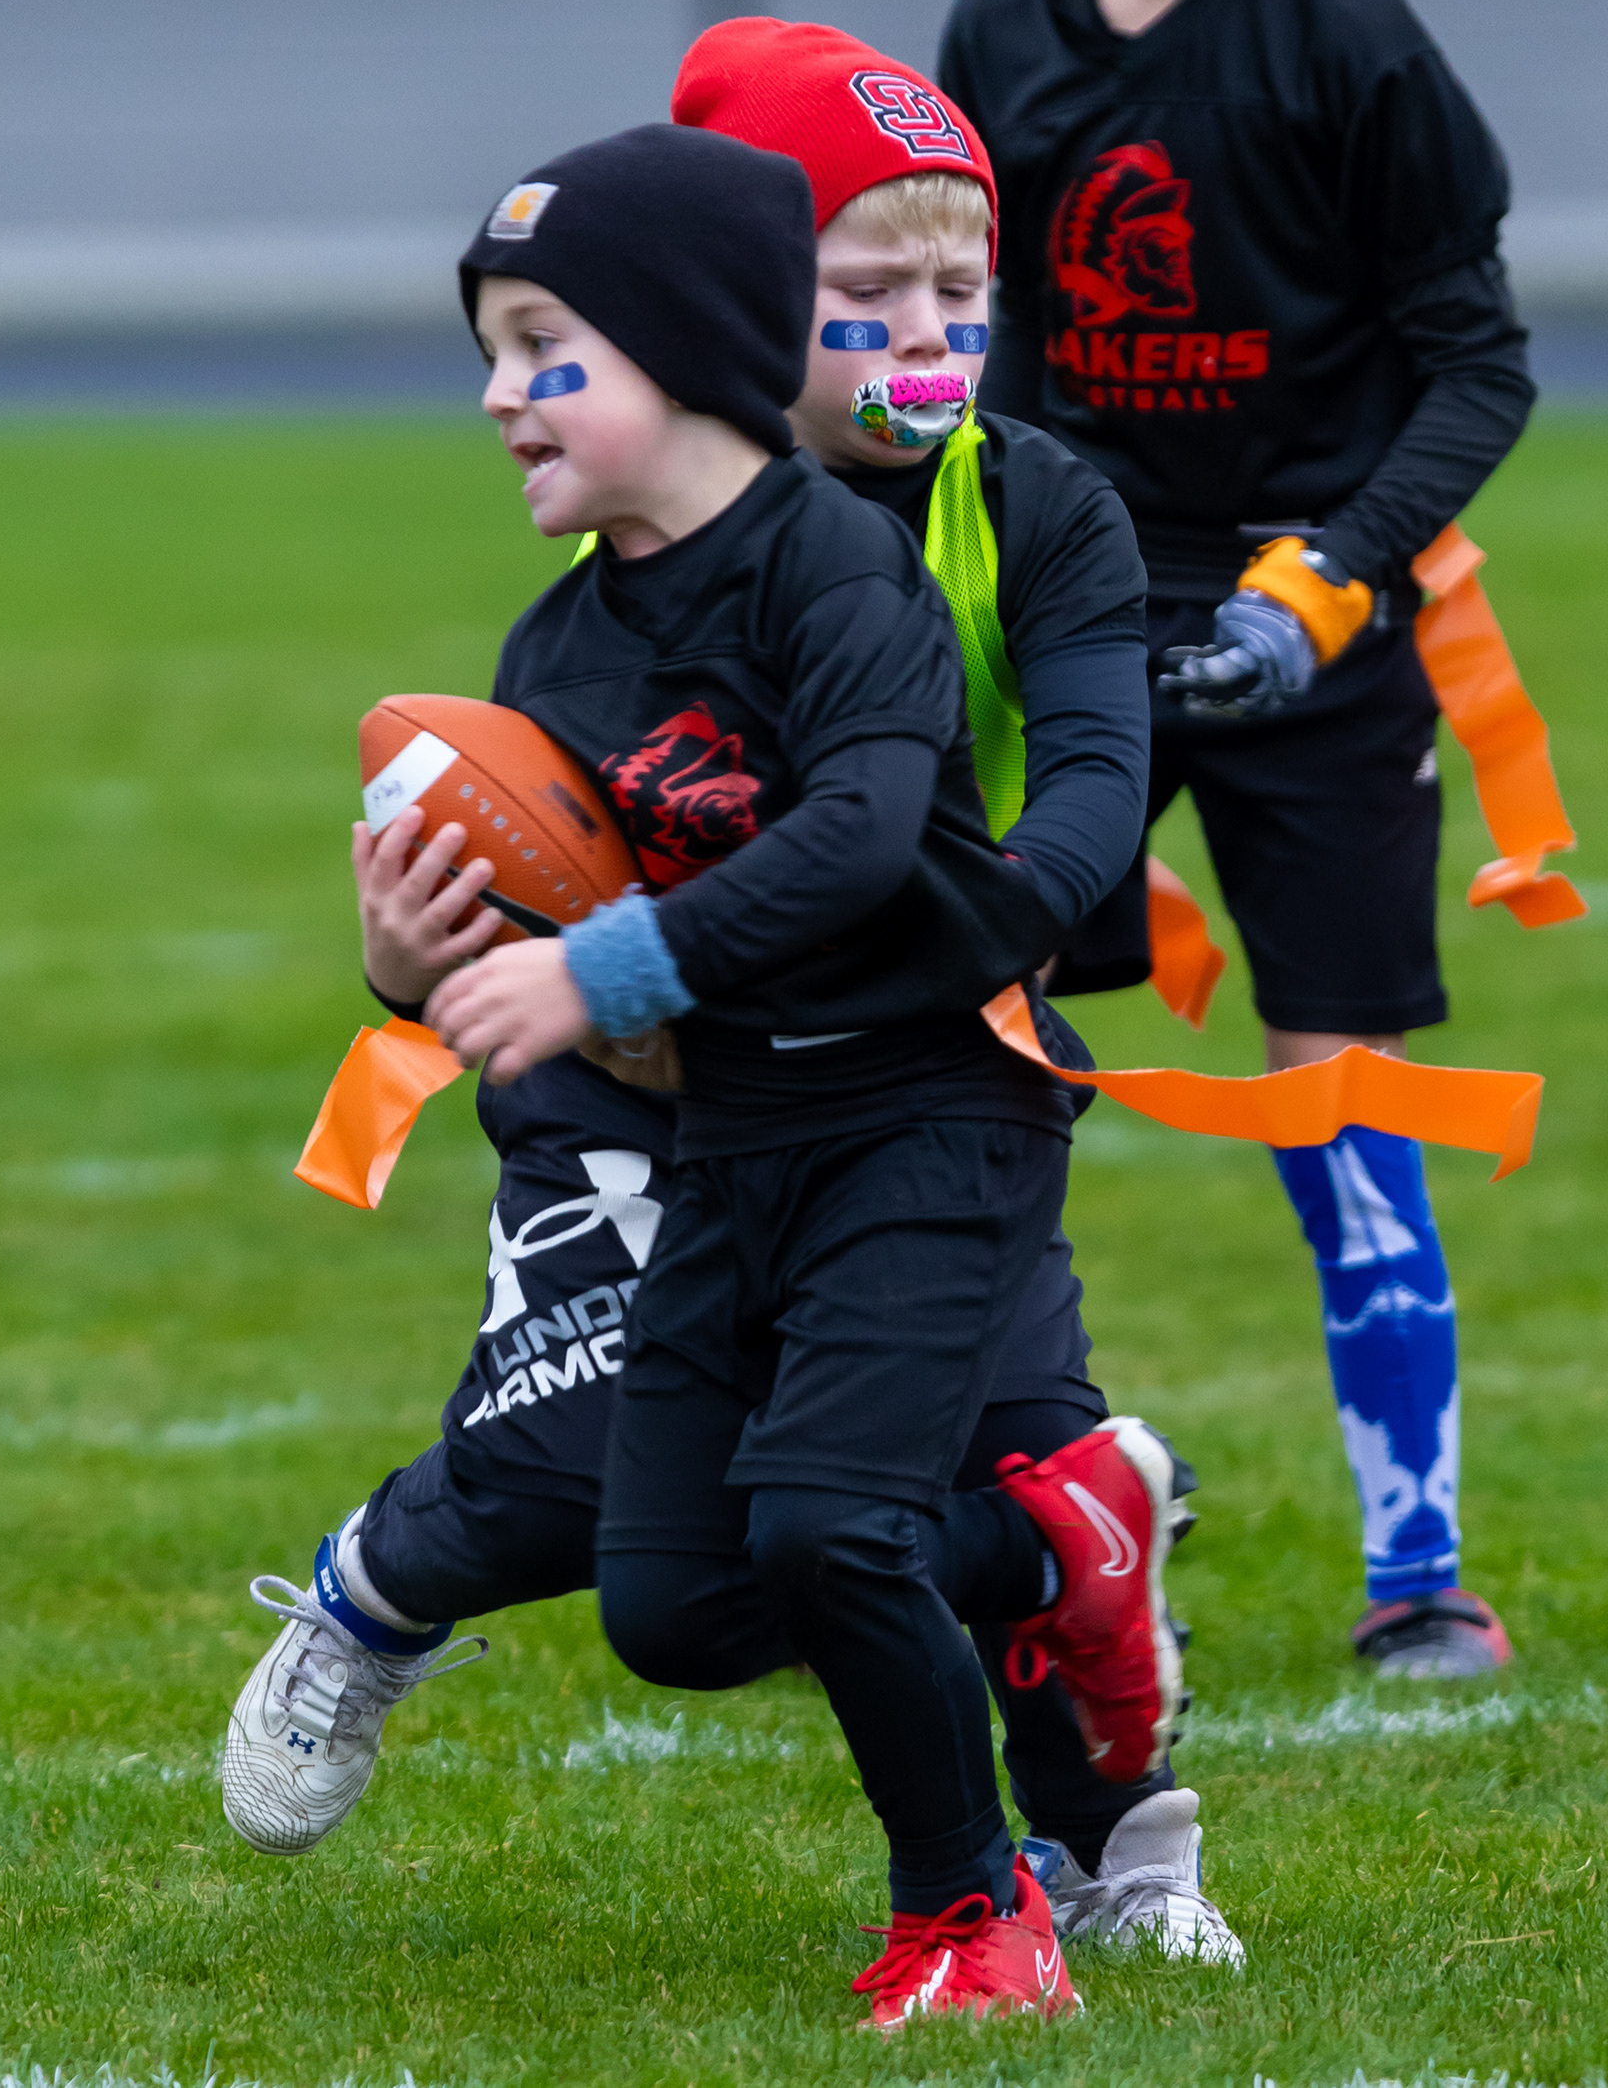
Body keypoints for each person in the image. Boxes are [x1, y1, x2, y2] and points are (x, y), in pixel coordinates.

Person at [214, 29, 1239, 1970]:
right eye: (871, 292)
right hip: (647, 1063)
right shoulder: (627, 555)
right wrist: (414, 969)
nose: (927, 333)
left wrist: (973, 934)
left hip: (918, 1049)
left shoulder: (1027, 508)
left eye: (962, 291)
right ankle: (372, 1597)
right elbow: (541, 878)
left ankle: (1103, 1844)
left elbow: (1095, 782)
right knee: (585, 1490)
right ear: (743, 315)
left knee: (1011, 1441)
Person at [416, 122, 1173, 2027]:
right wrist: (419, 955)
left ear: (681, 348)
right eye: (493, 354)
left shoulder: (837, 567)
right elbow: (546, 918)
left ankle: (977, 1917)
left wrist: (607, 965)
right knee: (673, 1603)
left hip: (927, 1108)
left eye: (543, 351)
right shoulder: (557, 640)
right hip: (736, 1130)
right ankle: (1057, 1536)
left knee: (831, 1527)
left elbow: (858, 832)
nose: (501, 396)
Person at [938, 0, 1538, 1678]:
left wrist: (1332, 575)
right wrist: (968, 561)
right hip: (1076, 621)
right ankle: (1018, 1478)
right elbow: (976, 337)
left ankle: (1417, 1574)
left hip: (1310, 636)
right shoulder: (994, 28)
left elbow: (1480, 370)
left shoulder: (1354, 45)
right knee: (971, 1057)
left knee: (1336, 1101)